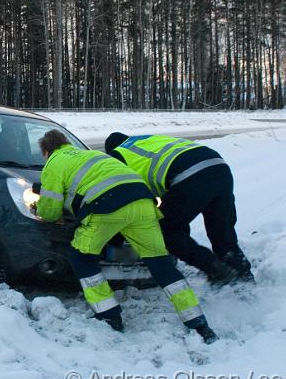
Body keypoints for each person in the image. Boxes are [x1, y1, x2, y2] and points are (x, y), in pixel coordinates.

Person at [34, 129, 217, 343]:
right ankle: (198, 323)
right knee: (160, 262)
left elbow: (50, 212)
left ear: (47, 151)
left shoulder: (54, 162)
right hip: (142, 202)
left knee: (81, 256)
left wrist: (42, 207)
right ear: (66, 143)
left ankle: (109, 316)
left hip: (107, 206)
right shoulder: (94, 155)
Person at [104, 132, 254, 285]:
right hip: (219, 168)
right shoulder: (145, 140)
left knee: (162, 229)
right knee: (222, 234)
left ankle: (214, 269)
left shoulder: (117, 157)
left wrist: (114, 238)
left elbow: (127, 202)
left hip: (190, 176)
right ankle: (245, 283)